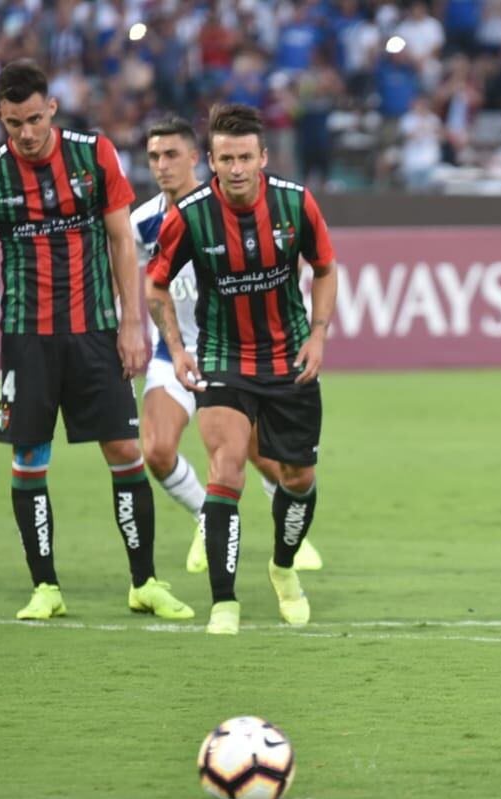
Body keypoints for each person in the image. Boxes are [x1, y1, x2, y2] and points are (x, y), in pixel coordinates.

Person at [0, 59, 192, 621]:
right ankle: (46, 588)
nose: (28, 134)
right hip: (25, 337)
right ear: (0, 119)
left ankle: (145, 582)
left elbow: (121, 241)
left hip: (95, 333)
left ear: (52, 107)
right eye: (15, 124)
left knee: (125, 451)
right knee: (30, 457)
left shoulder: (94, 153)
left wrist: (132, 324)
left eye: (36, 118)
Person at [146, 103, 338, 636]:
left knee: (297, 478)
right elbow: (156, 283)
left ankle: (282, 568)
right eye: (225, 158)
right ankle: (223, 602)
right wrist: (178, 348)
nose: (235, 169)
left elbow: (325, 268)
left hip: (289, 360)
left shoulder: (295, 204)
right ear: (210, 159)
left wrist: (319, 333)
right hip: (223, 359)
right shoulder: (190, 214)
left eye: (245, 158)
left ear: (263, 157)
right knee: (226, 467)